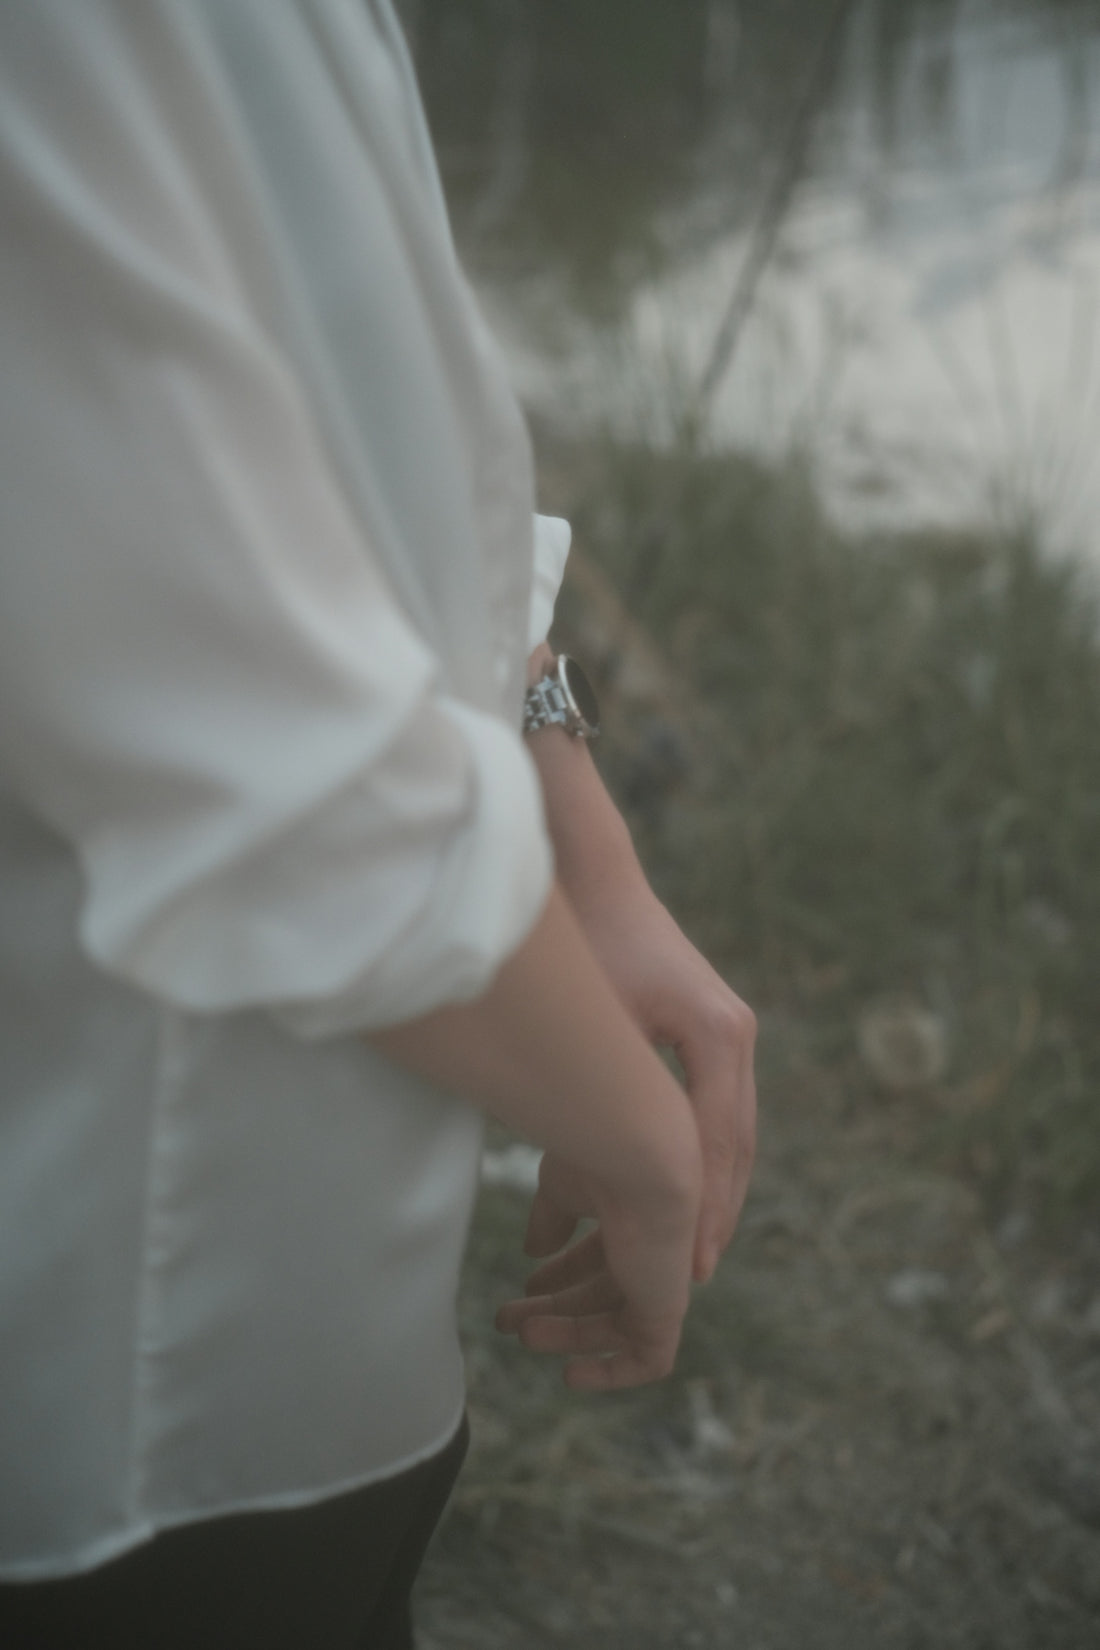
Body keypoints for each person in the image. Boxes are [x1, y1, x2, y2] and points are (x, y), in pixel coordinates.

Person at [0, 2, 757, 1645]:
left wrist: (590, 852)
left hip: (327, 1305)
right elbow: (263, 766)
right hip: (127, 1388)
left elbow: (387, 451)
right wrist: (632, 1133)